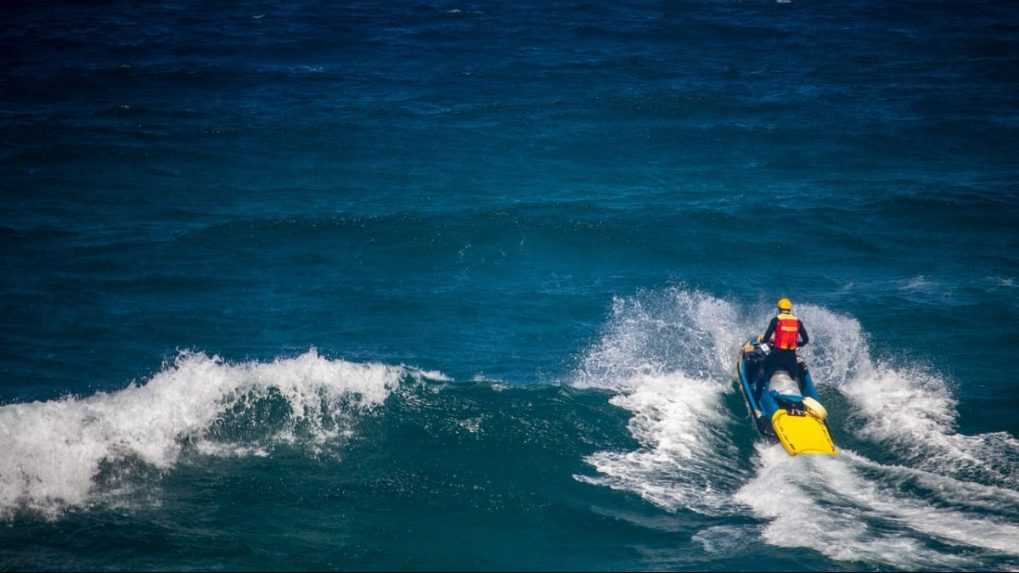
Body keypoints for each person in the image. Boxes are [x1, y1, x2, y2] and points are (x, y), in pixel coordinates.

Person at [758, 297, 809, 381]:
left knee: (763, 367)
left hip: (777, 354)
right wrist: (797, 344)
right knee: (795, 376)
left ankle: (757, 392)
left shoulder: (776, 320)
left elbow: (766, 339)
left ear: (779, 309)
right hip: (791, 356)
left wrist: (765, 341)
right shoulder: (797, 321)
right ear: (790, 309)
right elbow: (806, 340)